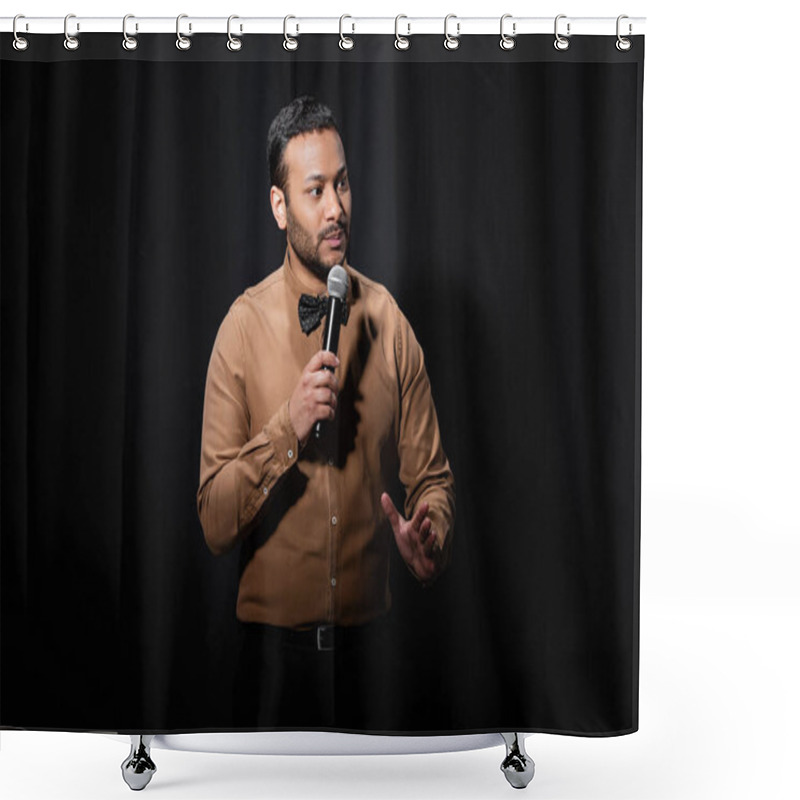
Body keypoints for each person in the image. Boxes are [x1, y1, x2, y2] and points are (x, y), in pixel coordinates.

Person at [197, 95, 455, 730]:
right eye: (315, 190)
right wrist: (287, 425)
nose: (337, 207)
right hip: (267, 665)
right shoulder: (241, 328)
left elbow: (434, 480)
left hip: (377, 657)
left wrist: (433, 537)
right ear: (280, 207)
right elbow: (212, 521)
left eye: (341, 184)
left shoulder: (391, 323)